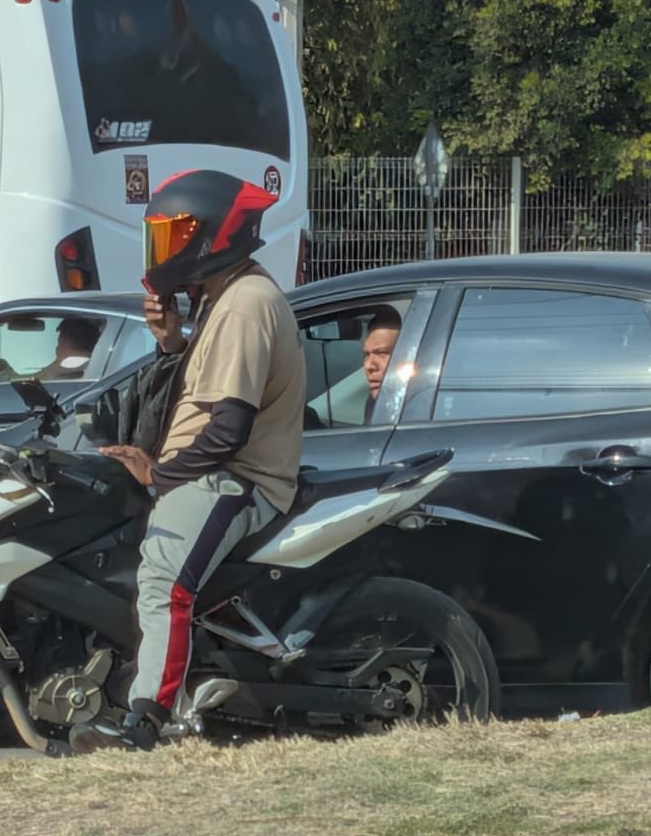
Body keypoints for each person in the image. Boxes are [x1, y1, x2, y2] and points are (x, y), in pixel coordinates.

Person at [72, 168, 306, 751]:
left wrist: (161, 473)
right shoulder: (227, 296)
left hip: (234, 482)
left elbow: (228, 428)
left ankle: (147, 722)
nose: (163, 251)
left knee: (163, 585)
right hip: (211, 475)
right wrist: (173, 341)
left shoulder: (245, 304)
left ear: (211, 237)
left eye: (173, 236)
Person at [362, 307, 401, 425]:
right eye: (367, 354)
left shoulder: (428, 408)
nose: (369, 366)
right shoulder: (375, 403)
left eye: (381, 353)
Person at [32, 318, 101, 382]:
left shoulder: (63, 371)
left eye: (59, 343)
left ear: (66, 344)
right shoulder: (98, 367)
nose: (57, 348)